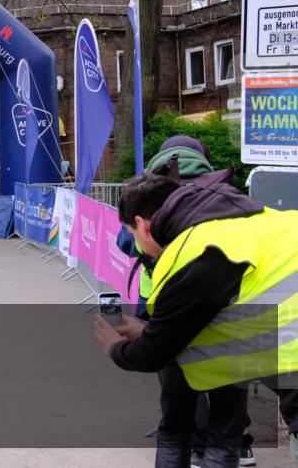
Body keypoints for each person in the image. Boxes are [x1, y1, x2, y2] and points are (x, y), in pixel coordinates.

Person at [95, 170, 298, 468]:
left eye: (131, 232)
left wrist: (114, 346)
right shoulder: (249, 220)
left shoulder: (195, 255)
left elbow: (151, 355)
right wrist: (154, 329)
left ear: (142, 224)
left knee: (179, 429)